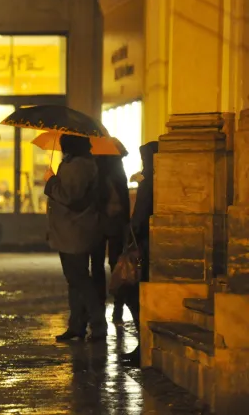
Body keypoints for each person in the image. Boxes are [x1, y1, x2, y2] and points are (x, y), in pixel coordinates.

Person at [44, 134, 106, 343]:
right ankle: (77, 325)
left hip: (75, 230)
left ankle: (97, 324)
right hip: (70, 230)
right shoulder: (77, 163)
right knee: (75, 280)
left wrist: (51, 181)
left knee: (79, 278)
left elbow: (69, 195)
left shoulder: (79, 165)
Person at [120, 141, 158, 365]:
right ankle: (143, 345)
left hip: (143, 247)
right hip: (149, 245)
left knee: (133, 294)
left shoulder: (148, 182)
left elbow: (140, 217)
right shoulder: (154, 179)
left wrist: (130, 233)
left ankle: (144, 345)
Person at [90, 155, 130, 323]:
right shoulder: (119, 174)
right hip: (117, 224)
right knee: (116, 266)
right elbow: (125, 202)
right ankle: (118, 308)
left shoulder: (96, 174)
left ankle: (99, 306)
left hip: (98, 224)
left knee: (97, 267)